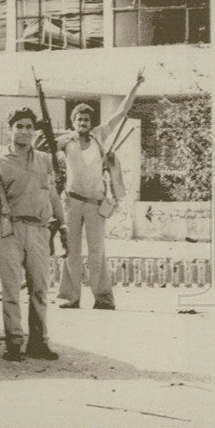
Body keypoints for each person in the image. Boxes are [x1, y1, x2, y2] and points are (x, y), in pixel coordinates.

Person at [56, 70, 145, 310]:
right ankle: (69, 297)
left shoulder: (99, 136)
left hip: (95, 203)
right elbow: (40, 150)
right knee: (71, 252)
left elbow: (121, 112)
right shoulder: (65, 142)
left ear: (90, 122)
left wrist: (135, 86)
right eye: (79, 120)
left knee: (97, 253)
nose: (83, 123)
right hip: (72, 203)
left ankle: (103, 298)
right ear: (73, 122)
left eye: (86, 120)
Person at [0, 108, 67, 362]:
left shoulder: (44, 159)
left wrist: (63, 226)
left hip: (39, 230)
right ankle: (13, 343)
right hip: (10, 229)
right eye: (19, 126)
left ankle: (38, 342)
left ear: (34, 131)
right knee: (11, 289)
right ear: (10, 129)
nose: (24, 131)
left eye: (29, 127)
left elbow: (53, 194)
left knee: (40, 289)